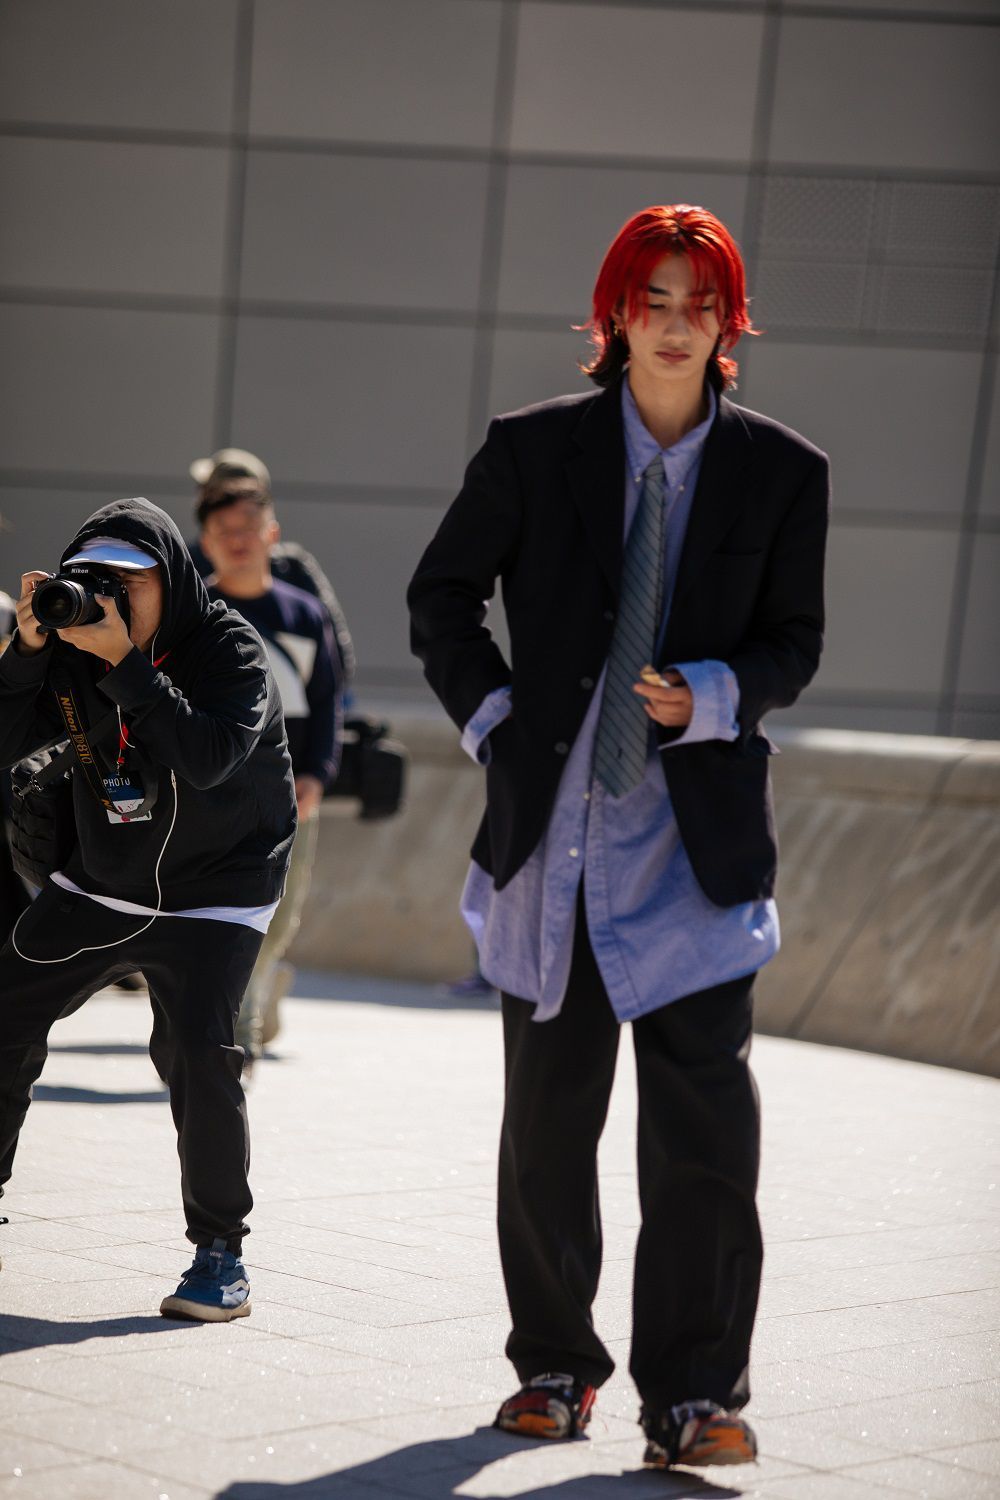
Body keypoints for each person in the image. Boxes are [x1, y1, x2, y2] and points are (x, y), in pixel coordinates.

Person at [408, 205, 829, 1471]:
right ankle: (552, 1368)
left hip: (694, 856)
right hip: (555, 849)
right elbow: (441, 597)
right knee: (547, 1128)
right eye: (653, 299)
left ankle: (694, 1396)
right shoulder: (532, 449)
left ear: (728, 321)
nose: (675, 322)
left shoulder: (783, 471)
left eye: (700, 302)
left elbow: (793, 643)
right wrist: (494, 718)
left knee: (705, 1141)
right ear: (616, 315)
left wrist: (713, 693)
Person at [0, 499, 296, 1318]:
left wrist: (125, 664)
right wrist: (26, 654)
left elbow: (207, 758)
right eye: (91, 580)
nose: (106, 597)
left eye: (126, 582)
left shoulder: (230, 647)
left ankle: (219, 1255)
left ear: (172, 581)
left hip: (218, 895)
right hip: (103, 881)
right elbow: (7, 743)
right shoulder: (67, 648)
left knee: (198, 1051)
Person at [194, 463, 343, 1066]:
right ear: (206, 541)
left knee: (277, 918)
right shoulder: (193, 611)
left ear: (272, 534)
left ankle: (244, 1015)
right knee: (208, 917)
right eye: (225, 530)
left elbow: (329, 699)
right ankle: (231, 1035)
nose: (239, 540)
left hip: (290, 795)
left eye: (249, 527)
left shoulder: (305, 613)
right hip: (208, 793)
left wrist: (319, 774)